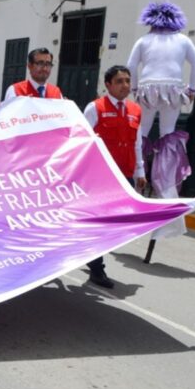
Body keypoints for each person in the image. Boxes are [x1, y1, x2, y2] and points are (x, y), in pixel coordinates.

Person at [127, 1, 195, 238]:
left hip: (148, 88)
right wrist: (191, 88)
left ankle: (140, 167)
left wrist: (136, 87)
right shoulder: (183, 40)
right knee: (168, 134)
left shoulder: (144, 41)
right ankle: (166, 180)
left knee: (142, 130)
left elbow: (131, 65)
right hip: (172, 89)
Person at [82, 66, 147, 288]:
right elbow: (82, 140)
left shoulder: (135, 110)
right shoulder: (95, 108)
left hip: (125, 173)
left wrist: (140, 170)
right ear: (108, 85)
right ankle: (97, 268)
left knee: (114, 224)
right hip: (100, 176)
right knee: (99, 223)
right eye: (119, 81)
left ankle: (90, 254)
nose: (125, 86)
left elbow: (137, 142)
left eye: (128, 81)